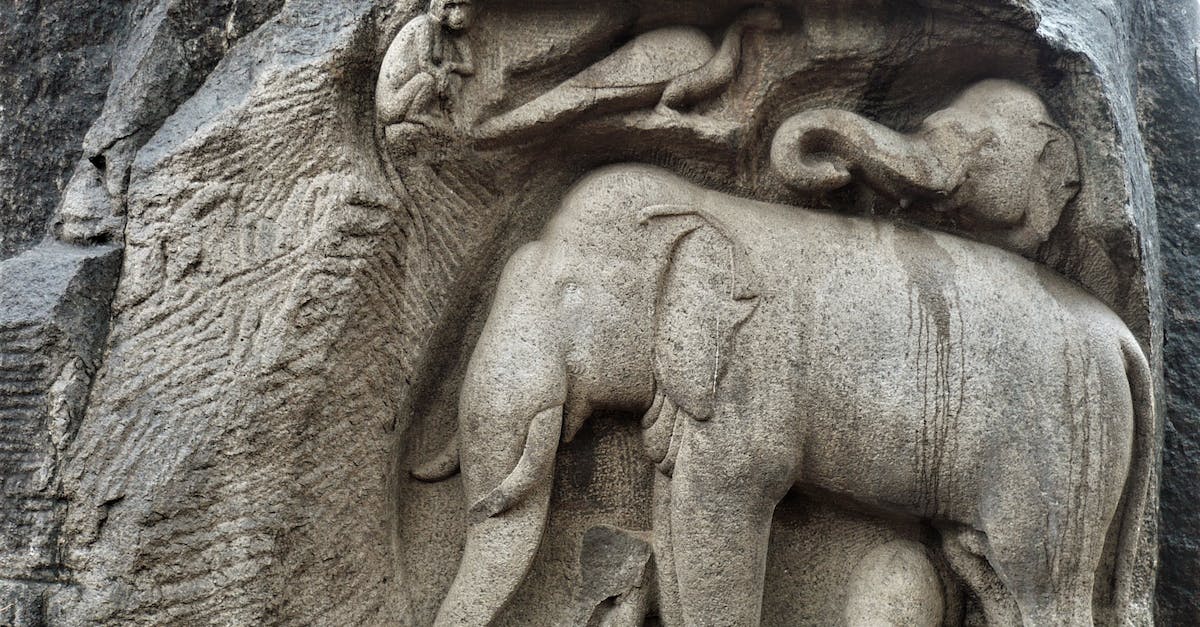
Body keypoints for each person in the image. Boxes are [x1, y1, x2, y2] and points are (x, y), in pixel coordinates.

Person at [376, 0, 476, 132]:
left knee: (449, 79)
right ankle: (415, 114)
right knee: (428, 79)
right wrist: (442, 74)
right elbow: (424, 64)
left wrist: (450, 67)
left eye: (462, 6)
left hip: (408, 93)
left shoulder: (448, 32)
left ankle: (447, 117)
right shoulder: (424, 24)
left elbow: (470, 67)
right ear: (438, 7)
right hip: (391, 104)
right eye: (451, 6)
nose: (458, 13)